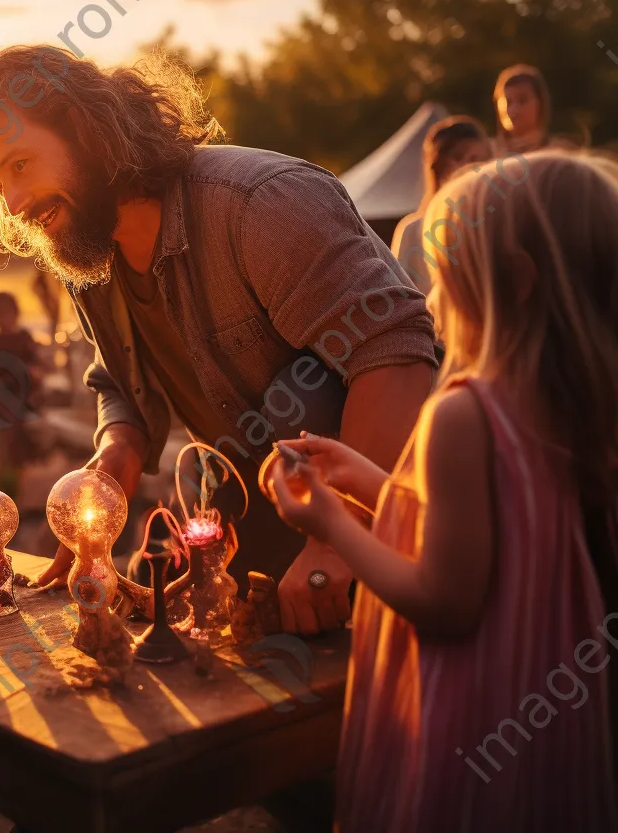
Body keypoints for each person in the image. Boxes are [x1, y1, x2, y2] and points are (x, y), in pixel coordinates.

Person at [0, 44, 438, 634]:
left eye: (20, 164)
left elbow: (396, 353)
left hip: (405, 531)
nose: (15, 204)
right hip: (258, 519)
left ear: (87, 133)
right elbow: (117, 379)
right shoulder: (89, 248)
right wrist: (114, 459)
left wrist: (342, 541)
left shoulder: (261, 202)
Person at [265, 149, 618, 832]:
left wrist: (331, 524)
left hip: (475, 700)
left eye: (447, 273)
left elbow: (445, 601)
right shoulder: (574, 403)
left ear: (513, 283)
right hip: (545, 693)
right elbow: (500, 526)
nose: (429, 296)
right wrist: (368, 480)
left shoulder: (467, 414)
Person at [391, 116, 493, 296]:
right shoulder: (413, 230)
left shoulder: (495, 222)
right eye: (466, 159)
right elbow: (401, 300)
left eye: (482, 160)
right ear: (440, 167)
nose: (476, 168)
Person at [0, 291, 43, 470]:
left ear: (16, 313)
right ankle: (8, 467)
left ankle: (25, 465)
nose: (4, 320)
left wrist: (33, 375)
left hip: (28, 394)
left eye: (6, 315)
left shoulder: (24, 338)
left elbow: (36, 365)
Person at [493, 63, 560, 154]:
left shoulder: (557, 154)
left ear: (540, 103)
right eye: (508, 102)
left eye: (522, 100)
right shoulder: (489, 154)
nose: (514, 109)